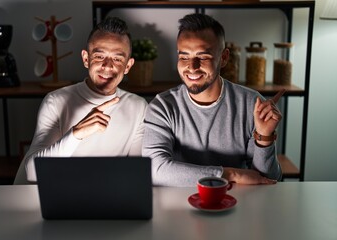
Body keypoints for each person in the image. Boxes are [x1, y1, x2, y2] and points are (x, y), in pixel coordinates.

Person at [142, 13, 283, 187]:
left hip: (234, 202)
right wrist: (229, 174)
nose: (192, 67)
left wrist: (264, 138)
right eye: (184, 56)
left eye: (203, 57)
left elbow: (268, 180)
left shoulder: (252, 104)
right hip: (178, 205)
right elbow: (154, 170)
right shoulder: (162, 106)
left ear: (223, 58)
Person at [14, 17, 148, 184]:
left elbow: (137, 172)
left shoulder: (138, 107)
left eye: (117, 59)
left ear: (128, 65)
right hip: (59, 193)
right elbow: (33, 172)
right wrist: (76, 134)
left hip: (105, 196)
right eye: (99, 56)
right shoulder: (55, 101)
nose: (107, 66)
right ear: (86, 59)